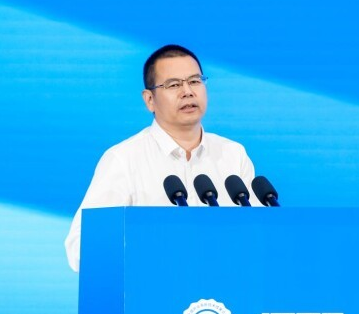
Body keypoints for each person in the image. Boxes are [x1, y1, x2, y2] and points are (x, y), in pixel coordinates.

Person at [64, 44, 258, 272]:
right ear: (149, 100)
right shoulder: (124, 159)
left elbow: (258, 234)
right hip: (150, 288)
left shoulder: (232, 154)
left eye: (195, 81)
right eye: (174, 85)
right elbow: (80, 248)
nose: (188, 91)